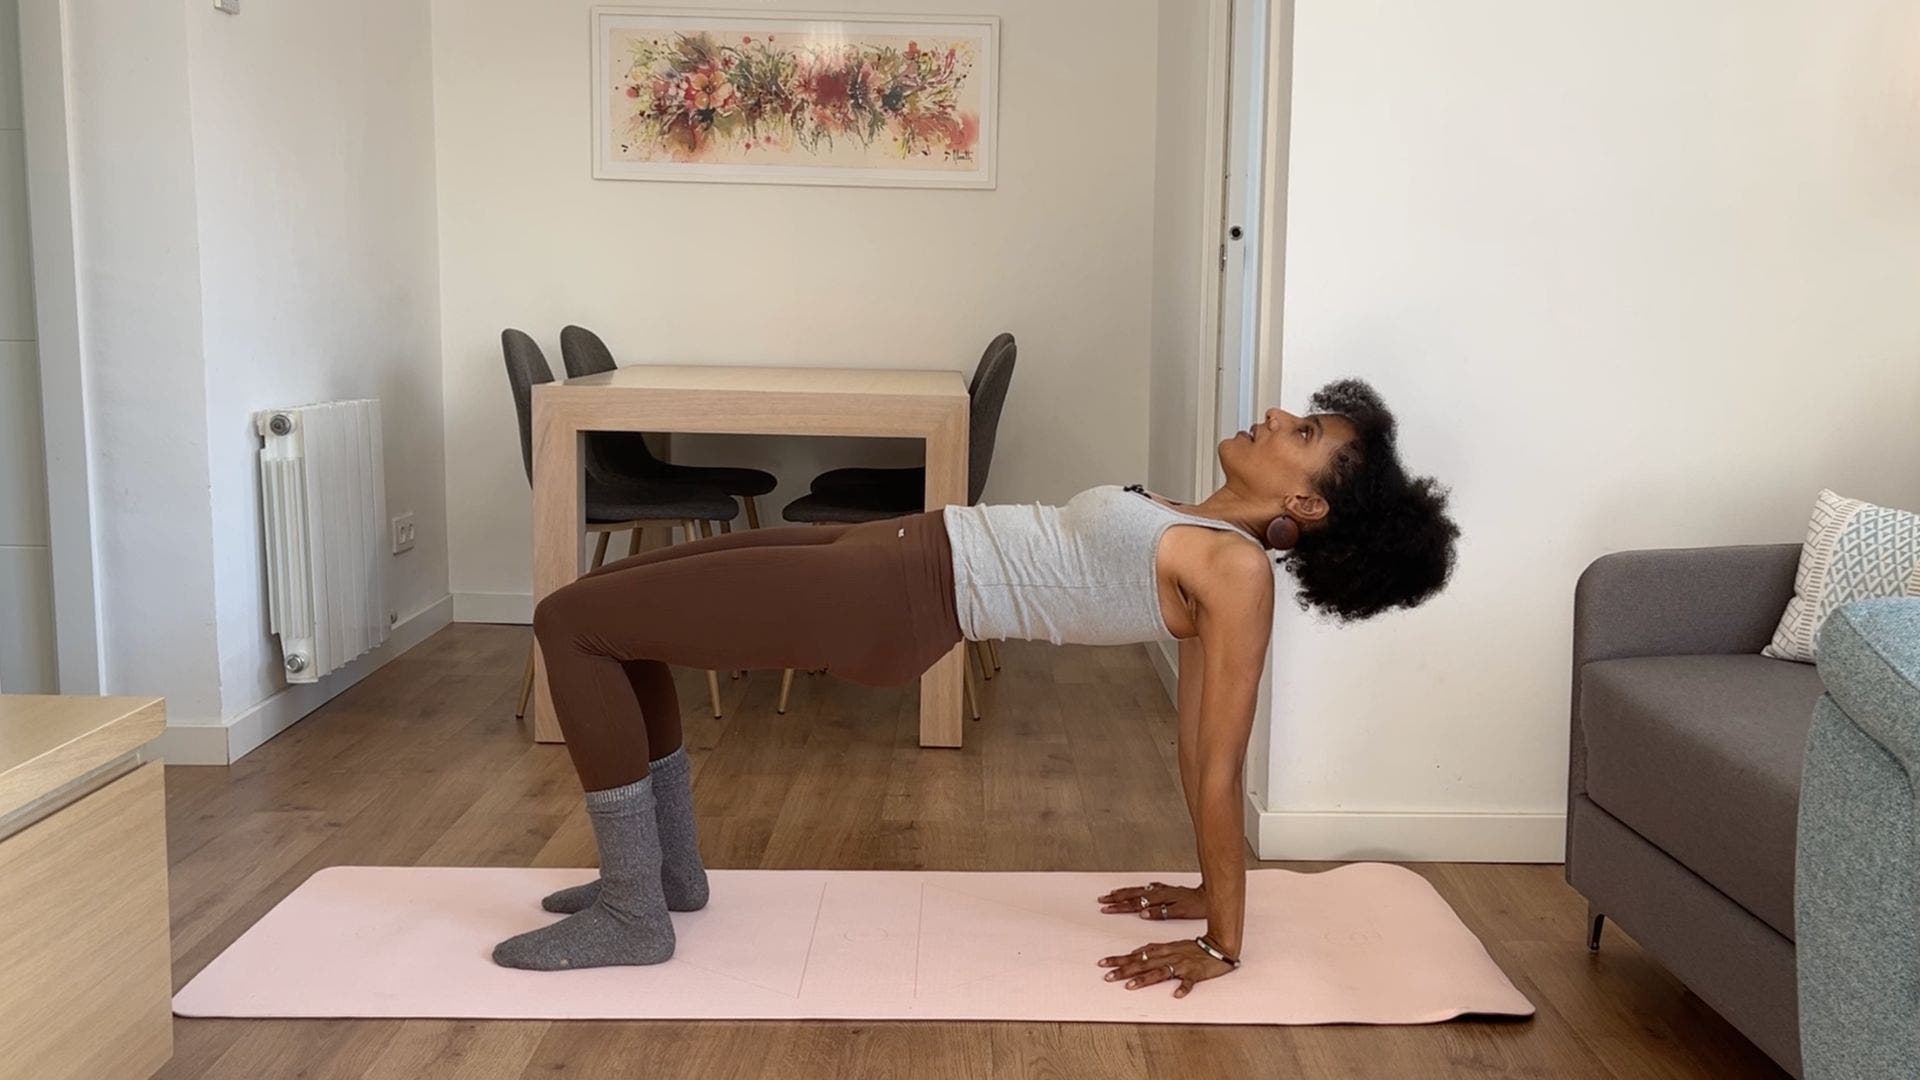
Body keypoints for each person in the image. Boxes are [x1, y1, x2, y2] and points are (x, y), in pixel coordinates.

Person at [493, 378, 1459, 999]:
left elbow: (1215, 757)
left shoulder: (1236, 572)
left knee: (569, 627)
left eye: (1306, 431)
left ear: (1308, 502)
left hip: (889, 600)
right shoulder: (1193, 521)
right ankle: (663, 879)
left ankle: (633, 914)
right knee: (602, 610)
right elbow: (1187, 735)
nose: (1279, 415)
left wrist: (1222, 937)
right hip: (896, 551)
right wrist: (1203, 889)